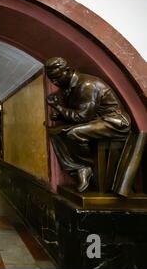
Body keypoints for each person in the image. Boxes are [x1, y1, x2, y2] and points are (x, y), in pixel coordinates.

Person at [45, 57, 131, 192]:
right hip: (96, 120)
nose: (54, 82)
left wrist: (57, 107)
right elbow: (80, 113)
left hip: (114, 122)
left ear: (67, 71)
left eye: (56, 77)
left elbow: (81, 117)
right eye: (51, 79)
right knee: (54, 132)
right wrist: (61, 115)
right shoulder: (68, 87)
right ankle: (80, 168)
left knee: (74, 133)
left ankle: (89, 166)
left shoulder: (87, 84)